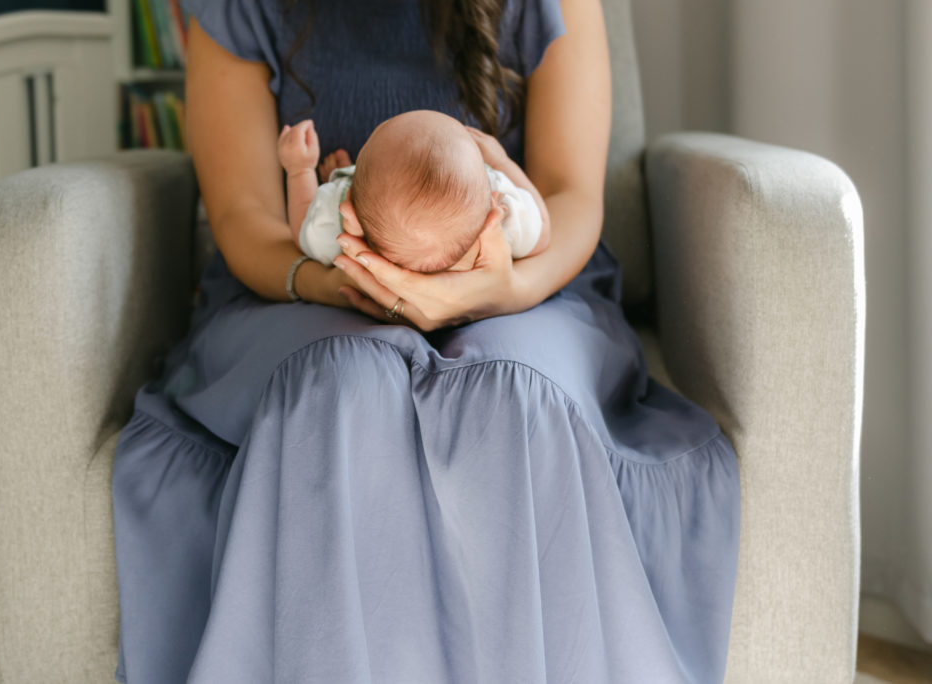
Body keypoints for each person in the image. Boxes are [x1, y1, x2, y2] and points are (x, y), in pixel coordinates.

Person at [111, 0, 741, 682]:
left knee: (508, 389)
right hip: (299, 290)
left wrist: (500, 290)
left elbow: (570, 199)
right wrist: (338, 280)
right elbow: (243, 216)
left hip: (525, 290)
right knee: (343, 383)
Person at [277, 110, 550, 273]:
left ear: (351, 203)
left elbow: (303, 230)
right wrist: (502, 161)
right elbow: (543, 230)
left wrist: (299, 170)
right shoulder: (503, 214)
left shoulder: (336, 220)